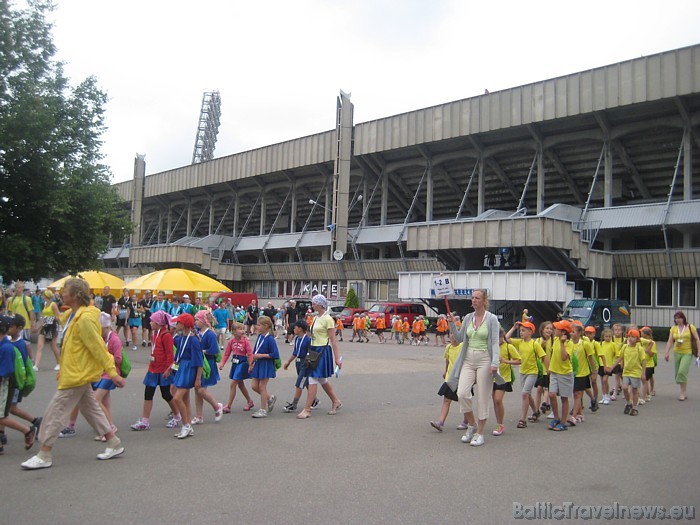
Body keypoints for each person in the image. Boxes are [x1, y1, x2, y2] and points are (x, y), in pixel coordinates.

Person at [21, 278, 125, 470]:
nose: (61, 293)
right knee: (90, 409)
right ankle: (113, 441)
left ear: (76, 294)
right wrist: (63, 369)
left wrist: (113, 373)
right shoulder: (72, 315)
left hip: (77, 375)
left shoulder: (84, 318)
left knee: (55, 412)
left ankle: (44, 453)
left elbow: (98, 348)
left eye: (65, 290)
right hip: (74, 373)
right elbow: (71, 348)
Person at [446, 289, 500, 446]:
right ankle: (471, 424)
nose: (474, 300)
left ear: (484, 301)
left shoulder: (492, 319)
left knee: (483, 396)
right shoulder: (468, 318)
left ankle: (480, 433)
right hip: (468, 359)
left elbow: (495, 342)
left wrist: (494, 362)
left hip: (485, 358)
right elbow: (459, 338)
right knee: (462, 393)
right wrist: (452, 323)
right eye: (473, 298)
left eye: (477, 298)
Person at [130, 310, 181, 431]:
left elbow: (170, 355)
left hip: (163, 370)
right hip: (153, 369)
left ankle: (177, 415)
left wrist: (169, 369)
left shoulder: (166, 335)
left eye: (152, 321)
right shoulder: (155, 334)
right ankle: (145, 420)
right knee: (148, 393)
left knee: (166, 394)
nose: (150, 322)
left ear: (158, 323)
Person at [296, 295, 342, 419]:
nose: (312, 305)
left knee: (312, 379)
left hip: (322, 350)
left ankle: (307, 409)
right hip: (314, 350)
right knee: (321, 379)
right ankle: (336, 401)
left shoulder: (328, 319)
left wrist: (337, 358)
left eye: (314, 303)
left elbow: (333, 340)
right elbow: (313, 335)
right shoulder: (316, 318)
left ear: (321, 304)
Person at [0, 315, 37, 454]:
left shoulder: (7, 348)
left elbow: (7, 370)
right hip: (6, 383)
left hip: (5, 384)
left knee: (3, 415)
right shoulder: (4, 344)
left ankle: (27, 430)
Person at [505, 320, 548, 429]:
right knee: (527, 394)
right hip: (522, 372)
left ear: (530, 332)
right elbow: (506, 338)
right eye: (520, 330)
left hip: (532, 372)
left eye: (523, 330)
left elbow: (543, 357)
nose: (521, 332)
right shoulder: (520, 342)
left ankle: (522, 420)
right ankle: (535, 412)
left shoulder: (535, 344)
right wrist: (514, 328)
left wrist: (548, 370)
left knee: (524, 393)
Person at [169, 313, 203, 439]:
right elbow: (177, 357)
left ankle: (185, 425)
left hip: (189, 370)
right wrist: (170, 369)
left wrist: (198, 378)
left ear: (183, 325)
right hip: (181, 368)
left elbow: (199, 361)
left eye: (177, 323)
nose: (175, 325)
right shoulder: (180, 338)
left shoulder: (194, 340)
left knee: (177, 398)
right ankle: (188, 425)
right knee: (185, 399)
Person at [91, 312, 123, 441]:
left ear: (105, 327)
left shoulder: (114, 339)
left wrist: (106, 359)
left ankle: (109, 427)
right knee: (105, 401)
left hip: (111, 373)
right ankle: (106, 428)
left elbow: (118, 358)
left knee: (95, 399)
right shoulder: (103, 338)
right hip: (102, 372)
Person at [191, 310, 224, 424]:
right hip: (199, 363)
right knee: (197, 390)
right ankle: (199, 415)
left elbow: (214, 350)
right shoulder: (198, 332)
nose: (195, 322)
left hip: (207, 364)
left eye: (197, 320)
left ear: (203, 321)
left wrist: (201, 351)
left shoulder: (210, 334)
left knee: (201, 389)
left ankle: (216, 405)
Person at [282, 320, 318, 413]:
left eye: (295, 327)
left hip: (305, 363)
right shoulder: (297, 339)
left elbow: (311, 352)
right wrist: (288, 362)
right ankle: (314, 399)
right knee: (304, 382)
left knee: (299, 383)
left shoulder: (308, 339)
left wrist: (308, 361)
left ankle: (294, 404)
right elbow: (295, 352)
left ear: (300, 329)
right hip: (298, 362)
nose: (294, 329)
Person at [430, 332, 463, 431]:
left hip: (461, 378)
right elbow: (448, 360)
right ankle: (440, 422)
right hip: (450, 377)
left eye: (455, 334)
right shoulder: (448, 347)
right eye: (451, 334)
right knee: (446, 399)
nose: (453, 336)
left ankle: (468, 421)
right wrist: (445, 371)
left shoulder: (463, 347)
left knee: (463, 401)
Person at [219, 321, 255, 413]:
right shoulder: (231, 341)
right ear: (234, 331)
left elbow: (250, 354)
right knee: (240, 384)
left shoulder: (245, 341)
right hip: (235, 363)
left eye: (243, 329)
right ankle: (250, 401)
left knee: (233, 383)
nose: (242, 331)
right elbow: (227, 353)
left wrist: (251, 364)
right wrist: (222, 363)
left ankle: (228, 406)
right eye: (240, 329)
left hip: (242, 363)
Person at [663, 310, 699, 401]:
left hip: (687, 352)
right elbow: (670, 341)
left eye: (679, 318)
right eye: (676, 318)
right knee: (678, 373)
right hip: (677, 352)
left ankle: (682, 393)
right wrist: (666, 352)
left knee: (682, 372)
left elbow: (697, 339)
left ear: (683, 318)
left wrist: (699, 351)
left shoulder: (690, 327)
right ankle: (684, 391)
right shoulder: (674, 329)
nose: (678, 320)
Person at [492, 328, 521, 436]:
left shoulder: (509, 347)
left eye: (498, 337)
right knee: (494, 401)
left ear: (502, 336)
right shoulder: (491, 347)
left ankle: (500, 424)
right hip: (492, 377)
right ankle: (498, 422)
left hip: (504, 377)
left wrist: (506, 361)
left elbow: (519, 360)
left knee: (498, 399)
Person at [249, 316, 279, 418]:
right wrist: (251, 363)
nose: (257, 327)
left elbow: (275, 354)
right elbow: (255, 352)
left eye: (259, 325)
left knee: (262, 387)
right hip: (257, 363)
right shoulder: (260, 336)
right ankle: (270, 397)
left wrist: (261, 356)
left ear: (266, 326)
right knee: (254, 386)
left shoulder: (270, 339)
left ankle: (263, 409)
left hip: (266, 364)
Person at [546, 320, 574, 432]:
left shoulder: (569, 344)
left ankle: (563, 422)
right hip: (554, 371)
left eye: (557, 329)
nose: (554, 330)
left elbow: (564, 357)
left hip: (565, 373)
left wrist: (563, 343)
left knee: (564, 397)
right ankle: (556, 418)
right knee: (552, 394)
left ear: (563, 332)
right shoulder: (555, 340)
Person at [616, 329, 646, 416]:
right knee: (625, 388)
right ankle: (629, 402)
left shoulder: (639, 349)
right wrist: (612, 367)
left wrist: (643, 373)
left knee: (634, 390)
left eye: (633, 337)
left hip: (635, 372)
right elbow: (620, 357)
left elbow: (644, 361)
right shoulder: (625, 347)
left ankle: (635, 407)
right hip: (626, 372)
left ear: (637, 339)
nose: (630, 338)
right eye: (629, 336)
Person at [570, 324, 596, 424]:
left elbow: (591, 359)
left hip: (582, 373)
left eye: (574, 331)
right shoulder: (569, 343)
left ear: (580, 333)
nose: (571, 333)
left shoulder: (585, 344)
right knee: (575, 394)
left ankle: (574, 416)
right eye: (571, 332)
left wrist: (593, 372)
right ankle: (581, 414)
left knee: (578, 394)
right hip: (572, 373)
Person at [34, 290, 61, 371]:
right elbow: (43, 316)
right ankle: (36, 365)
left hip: (52, 326)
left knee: (53, 345)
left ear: (46, 296)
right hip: (45, 326)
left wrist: (51, 318)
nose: (42, 297)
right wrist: (39, 326)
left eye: (43, 295)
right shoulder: (44, 304)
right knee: (39, 345)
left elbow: (58, 316)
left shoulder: (53, 305)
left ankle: (59, 363)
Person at [7, 282, 35, 359]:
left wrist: (32, 324)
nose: (17, 289)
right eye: (16, 287)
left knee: (26, 343)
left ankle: (30, 359)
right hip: (14, 325)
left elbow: (31, 312)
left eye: (19, 287)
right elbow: (9, 311)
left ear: (23, 288)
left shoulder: (27, 299)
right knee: (14, 341)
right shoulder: (11, 299)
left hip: (25, 325)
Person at [535, 321, 554, 417]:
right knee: (539, 389)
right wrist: (542, 345)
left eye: (551, 329)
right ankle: (537, 409)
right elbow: (537, 353)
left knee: (547, 389)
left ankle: (545, 404)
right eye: (547, 328)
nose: (549, 330)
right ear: (542, 330)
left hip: (550, 368)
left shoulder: (554, 341)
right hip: (540, 369)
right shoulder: (538, 341)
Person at [597, 328, 616, 405]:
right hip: (601, 364)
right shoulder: (600, 344)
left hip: (609, 365)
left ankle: (607, 396)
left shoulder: (613, 345)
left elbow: (616, 355)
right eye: (606, 336)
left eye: (609, 336)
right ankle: (604, 396)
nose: (608, 338)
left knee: (605, 380)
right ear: (603, 337)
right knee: (602, 381)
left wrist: (613, 364)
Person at [640, 326, 657, 402]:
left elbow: (651, 354)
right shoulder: (641, 341)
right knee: (644, 380)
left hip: (649, 364)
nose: (640, 333)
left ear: (646, 335)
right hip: (641, 364)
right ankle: (647, 394)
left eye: (642, 332)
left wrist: (648, 348)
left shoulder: (652, 343)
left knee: (645, 379)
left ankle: (646, 396)